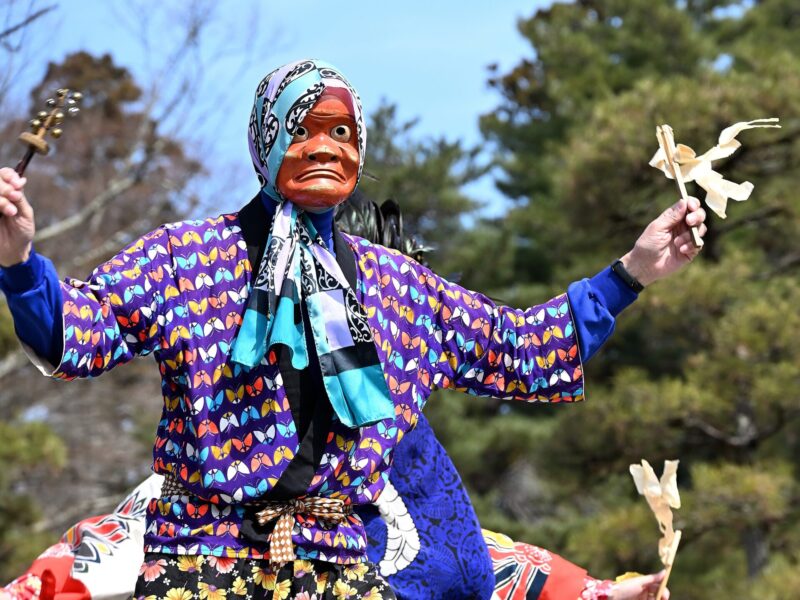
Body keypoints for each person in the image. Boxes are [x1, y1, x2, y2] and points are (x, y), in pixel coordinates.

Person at [0, 59, 704, 599]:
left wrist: (630, 273)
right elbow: (73, 336)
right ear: (264, 141)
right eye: (302, 131)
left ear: (361, 151)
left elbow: (523, 351)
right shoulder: (186, 260)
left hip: (342, 567)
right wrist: (19, 260)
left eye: (341, 133)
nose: (324, 148)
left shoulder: (397, 289)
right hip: (200, 560)